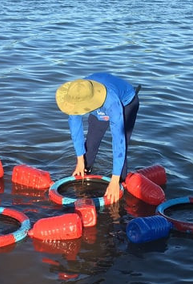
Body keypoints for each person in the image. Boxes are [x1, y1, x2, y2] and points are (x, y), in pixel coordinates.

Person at [55, 73, 139, 203]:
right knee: (91, 144)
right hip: (96, 103)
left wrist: (114, 180)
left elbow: (119, 141)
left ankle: (120, 184)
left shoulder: (111, 103)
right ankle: (85, 177)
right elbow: (76, 130)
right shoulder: (77, 94)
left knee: (123, 146)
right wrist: (80, 160)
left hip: (126, 102)